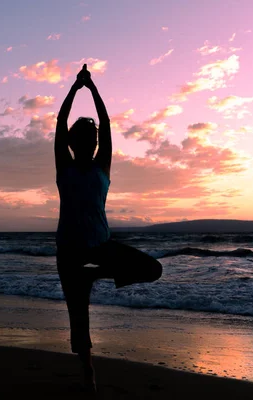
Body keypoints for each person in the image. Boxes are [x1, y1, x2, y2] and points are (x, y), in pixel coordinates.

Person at [55, 64, 163, 392]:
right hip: (70, 252)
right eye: (82, 139)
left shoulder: (103, 165)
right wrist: (77, 88)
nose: (88, 143)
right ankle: (87, 372)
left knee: (152, 268)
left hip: (102, 247)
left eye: (91, 139)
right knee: (79, 315)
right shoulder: (65, 165)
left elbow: (107, 123)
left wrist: (91, 88)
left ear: (95, 142)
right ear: (74, 143)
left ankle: (94, 275)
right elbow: (60, 123)